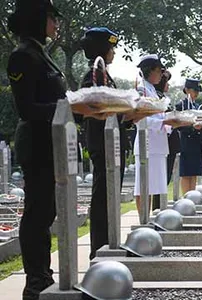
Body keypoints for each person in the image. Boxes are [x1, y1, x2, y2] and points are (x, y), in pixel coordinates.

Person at [6, 1, 88, 298]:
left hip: (51, 142)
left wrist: (75, 109)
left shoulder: (41, 53)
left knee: (46, 211)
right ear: (37, 20)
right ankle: (35, 279)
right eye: (52, 19)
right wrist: (70, 107)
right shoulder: (22, 56)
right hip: (37, 144)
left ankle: (43, 272)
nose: (55, 25)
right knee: (37, 213)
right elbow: (27, 108)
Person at [79, 27, 135, 260]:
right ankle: (99, 246)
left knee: (110, 195)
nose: (113, 52)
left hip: (111, 143)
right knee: (103, 197)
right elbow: (98, 108)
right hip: (103, 145)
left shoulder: (104, 74)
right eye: (111, 47)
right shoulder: (94, 74)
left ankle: (108, 242)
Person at [133, 54, 170, 214]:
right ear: (150, 71)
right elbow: (140, 118)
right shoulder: (142, 89)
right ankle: (143, 219)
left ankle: (146, 218)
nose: (161, 75)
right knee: (143, 185)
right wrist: (163, 123)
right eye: (159, 71)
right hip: (146, 142)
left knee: (153, 185)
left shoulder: (152, 90)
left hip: (157, 143)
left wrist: (170, 122)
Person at [153, 69, 178, 209]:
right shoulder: (157, 97)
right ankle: (157, 208)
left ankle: (160, 206)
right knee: (160, 178)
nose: (168, 85)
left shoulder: (163, 97)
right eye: (166, 81)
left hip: (169, 143)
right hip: (163, 141)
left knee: (165, 177)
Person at [176, 78, 202, 194]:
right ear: (187, 90)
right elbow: (178, 125)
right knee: (186, 172)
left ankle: (192, 194)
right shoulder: (181, 105)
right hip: (185, 142)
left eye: (197, 91)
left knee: (194, 173)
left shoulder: (198, 106)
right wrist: (192, 127)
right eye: (194, 90)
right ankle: (186, 195)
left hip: (196, 141)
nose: (196, 93)